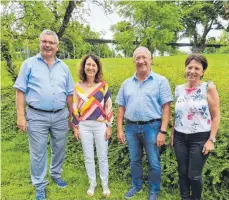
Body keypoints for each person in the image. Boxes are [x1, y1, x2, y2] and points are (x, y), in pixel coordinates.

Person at [13, 29, 74, 200]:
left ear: (57, 46)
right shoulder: (29, 64)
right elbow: (20, 91)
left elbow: (70, 94)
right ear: (40, 43)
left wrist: (72, 117)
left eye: (51, 42)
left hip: (60, 115)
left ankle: (56, 174)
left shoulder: (64, 67)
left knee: (59, 148)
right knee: (38, 152)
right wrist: (20, 116)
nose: (47, 45)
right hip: (36, 116)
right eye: (44, 41)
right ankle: (40, 185)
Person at [116, 46, 173, 200]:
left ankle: (154, 190)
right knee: (134, 159)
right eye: (137, 58)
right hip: (131, 127)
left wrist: (162, 131)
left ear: (150, 60)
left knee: (153, 161)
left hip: (152, 126)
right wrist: (119, 129)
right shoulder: (126, 83)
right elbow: (121, 108)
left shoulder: (161, 81)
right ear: (134, 61)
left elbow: (166, 108)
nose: (141, 61)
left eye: (144, 57)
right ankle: (137, 185)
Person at [170, 54, 220, 200]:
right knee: (182, 172)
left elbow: (216, 115)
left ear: (203, 71)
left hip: (200, 138)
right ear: (185, 69)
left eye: (197, 68)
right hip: (180, 137)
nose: (192, 71)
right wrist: (173, 134)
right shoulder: (178, 89)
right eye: (189, 67)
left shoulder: (208, 88)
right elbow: (178, 114)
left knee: (194, 174)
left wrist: (211, 139)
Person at [72, 54, 113, 197]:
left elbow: (108, 106)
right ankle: (92, 183)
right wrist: (75, 126)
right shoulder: (77, 87)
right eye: (88, 64)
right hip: (84, 126)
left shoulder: (103, 86)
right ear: (84, 67)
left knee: (103, 156)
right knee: (88, 156)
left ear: (97, 68)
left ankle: (105, 185)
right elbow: (74, 107)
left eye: (93, 65)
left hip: (100, 125)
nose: (90, 67)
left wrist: (109, 125)